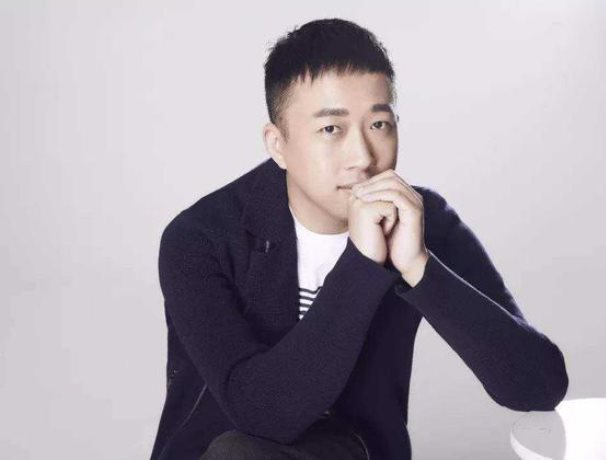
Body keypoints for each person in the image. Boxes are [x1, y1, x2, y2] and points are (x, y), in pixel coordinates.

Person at [150, 18, 569, 460]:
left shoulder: (419, 220)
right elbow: (263, 414)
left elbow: (538, 386)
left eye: (379, 125)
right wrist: (363, 263)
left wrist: (419, 267)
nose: (363, 157)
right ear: (277, 144)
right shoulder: (200, 239)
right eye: (331, 129)